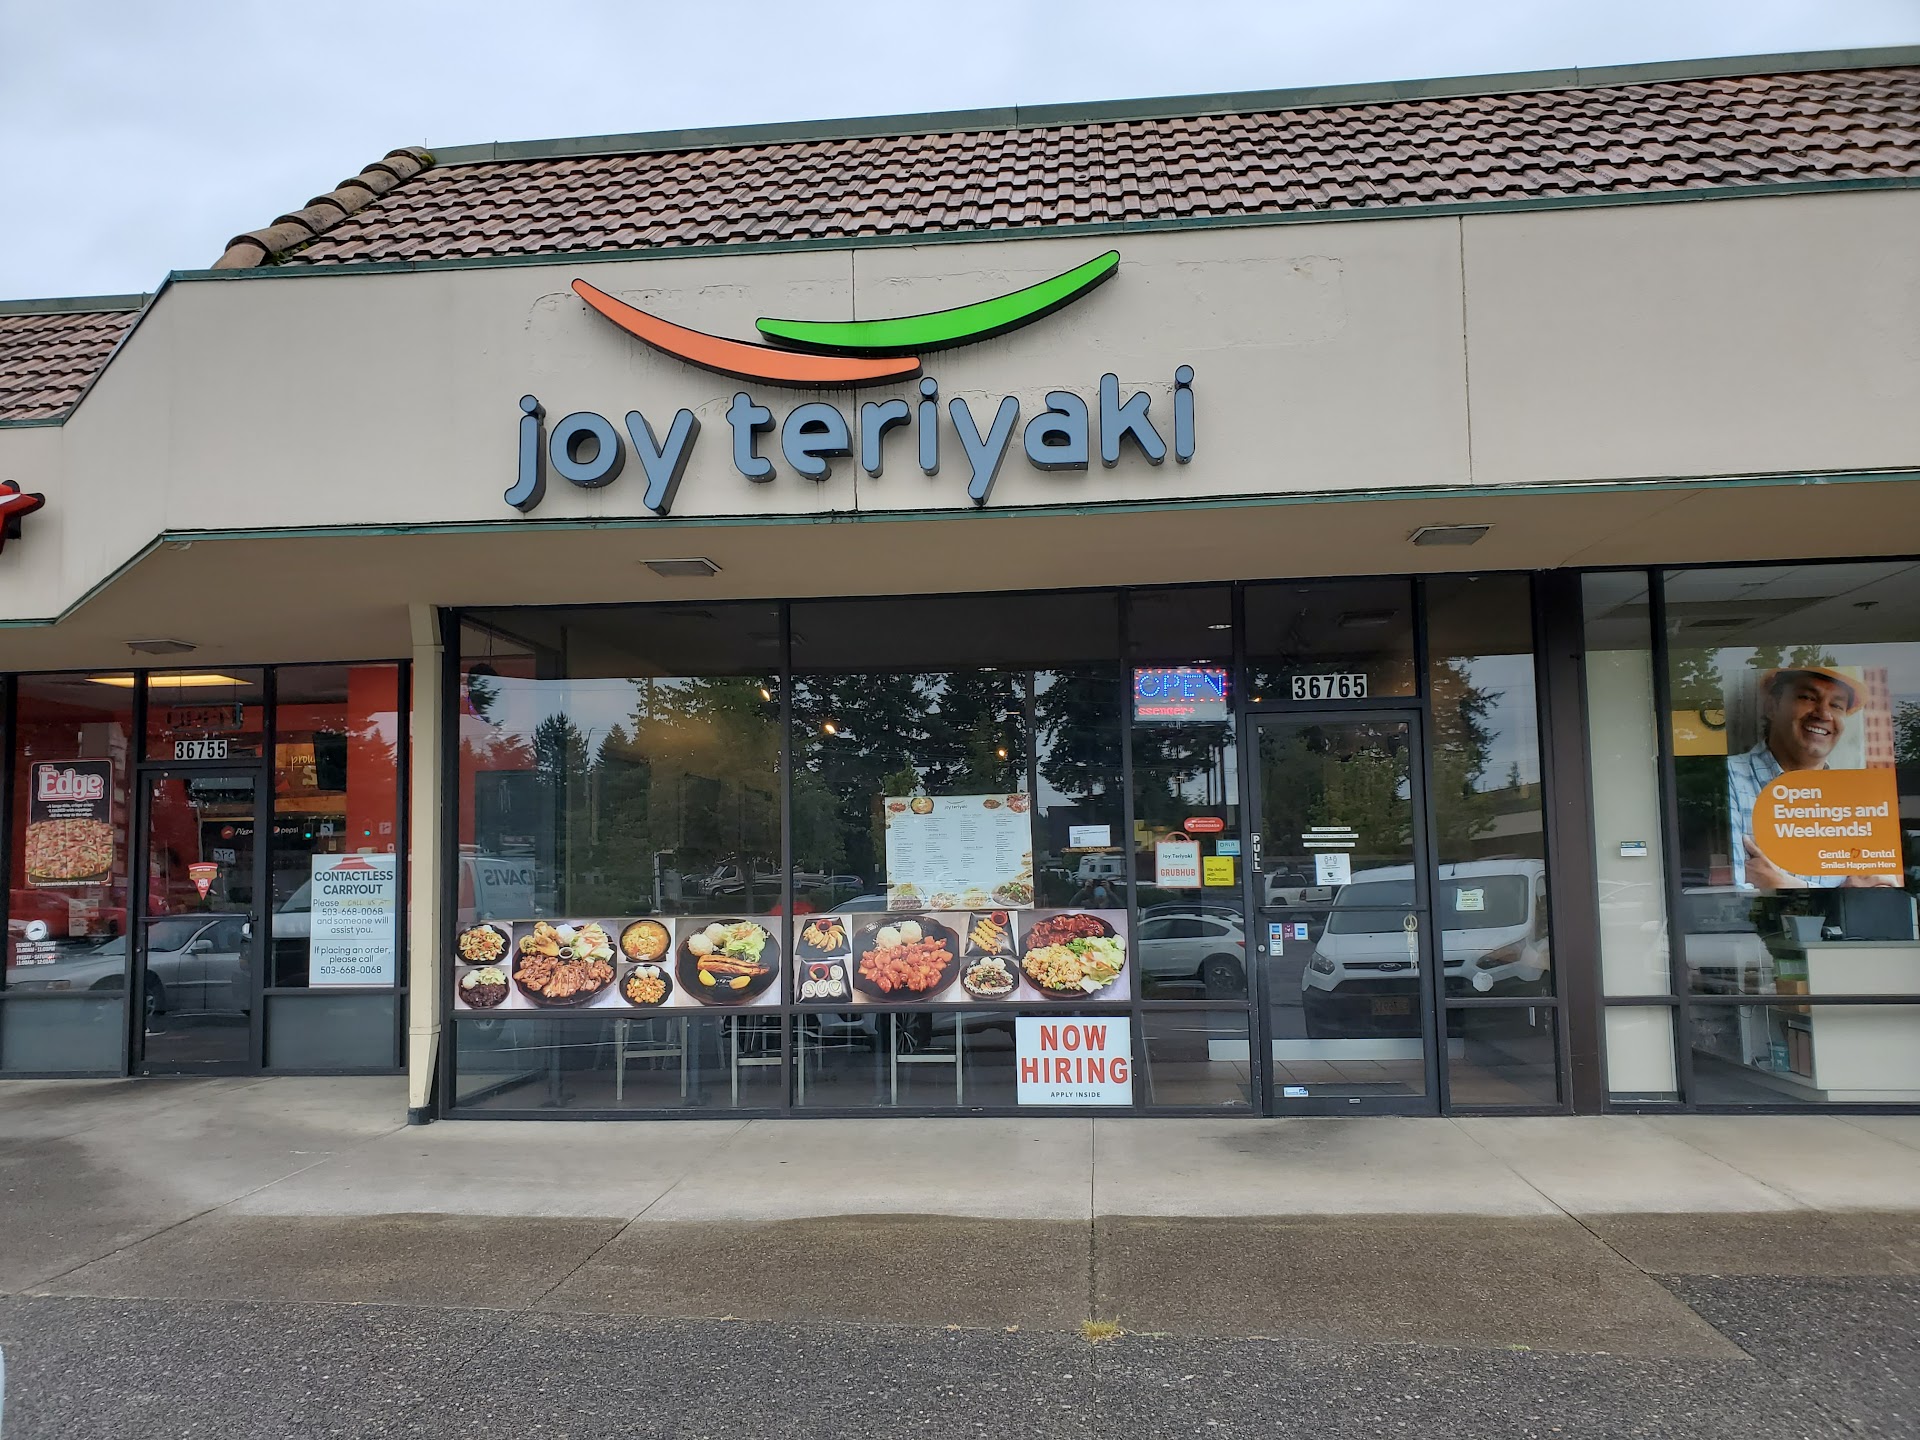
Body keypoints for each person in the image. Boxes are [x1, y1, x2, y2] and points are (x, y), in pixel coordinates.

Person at [1727, 666, 1894, 890]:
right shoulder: (1728, 777)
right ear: (1772, 707)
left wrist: (1784, 884)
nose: (1823, 714)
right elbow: (1729, 894)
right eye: (1807, 697)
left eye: (1836, 705)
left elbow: (1878, 892)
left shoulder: (1858, 801)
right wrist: (1840, 896)